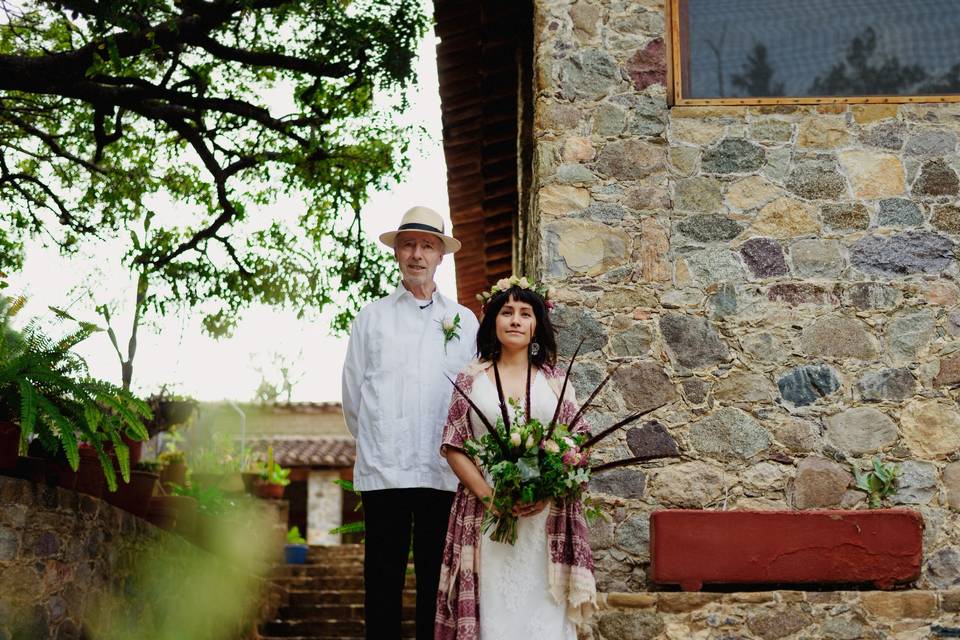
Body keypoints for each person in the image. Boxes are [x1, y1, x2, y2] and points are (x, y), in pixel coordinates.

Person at [341, 206, 479, 640]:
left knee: (435, 587)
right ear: (397, 253)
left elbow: (473, 396)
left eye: (427, 245)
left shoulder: (466, 322)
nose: (417, 254)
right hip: (386, 468)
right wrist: (379, 439)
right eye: (408, 245)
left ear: (441, 256)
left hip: (444, 470)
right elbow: (352, 394)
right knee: (381, 579)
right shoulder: (372, 317)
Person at [434, 278, 596, 640]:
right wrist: (489, 497)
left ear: (537, 323)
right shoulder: (471, 379)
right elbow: (454, 444)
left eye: (525, 313)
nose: (515, 320)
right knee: (494, 611)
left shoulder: (555, 381)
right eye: (507, 312)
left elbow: (578, 443)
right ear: (493, 320)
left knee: (543, 611)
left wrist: (548, 489)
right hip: (487, 514)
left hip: (545, 519)